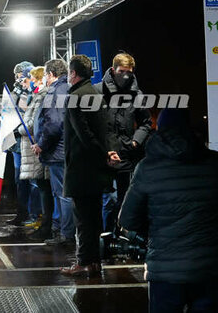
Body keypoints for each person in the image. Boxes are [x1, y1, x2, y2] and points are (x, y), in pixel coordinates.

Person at [119, 109, 218, 312]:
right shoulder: (214, 163)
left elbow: (128, 219)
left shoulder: (147, 167)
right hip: (209, 268)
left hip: (164, 270)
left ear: (160, 130)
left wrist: (152, 231)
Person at [60, 55, 111, 277]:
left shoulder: (74, 97)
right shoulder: (97, 94)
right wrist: (106, 154)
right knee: (94, 217)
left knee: (82, 219)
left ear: (73, 73)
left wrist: (100, 153)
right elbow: (104, 130)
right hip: (98, 168)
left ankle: (83, 262)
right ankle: (95, 262)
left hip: (81, 168)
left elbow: (84, 134)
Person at [95, 53, 152, 233]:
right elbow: (91, 124)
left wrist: (135, 142)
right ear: (113, 70)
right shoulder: (98, 91)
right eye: (121, 71)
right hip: (104, 156)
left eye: (129, 72)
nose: (125, 76)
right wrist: (103, 149)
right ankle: (104, 235)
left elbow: (146, 122)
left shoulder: (137, 94)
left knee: (125, 200)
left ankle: (121, 235)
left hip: (127, 155)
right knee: (106, 200)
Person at [32, 59, 75, 245]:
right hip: (63, 150)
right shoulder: (67, 88)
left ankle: (66, 234)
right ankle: (62, 230)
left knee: (62, 194)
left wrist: (41, 144)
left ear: (51, 74)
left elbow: (54, 124)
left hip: (58, 152)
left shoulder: (55, 91)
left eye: (45, 76)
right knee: (62, 193)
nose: (44, 80)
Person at [18, 66, 52, 240]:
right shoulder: (37, 96)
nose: (29, 82)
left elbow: (32, 124)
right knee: (42, 187)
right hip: (33, 149)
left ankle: (47, 226)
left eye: (31, 79)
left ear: (39, 79)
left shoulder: (42, 96)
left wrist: (18, 129)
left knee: (45, 189)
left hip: (37, 149)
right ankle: (45, 224)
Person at [7, 61, 41, 226]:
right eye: (16, 76)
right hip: (17, 144)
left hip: (29, 141)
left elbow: (30, 114)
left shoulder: (34, 91)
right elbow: (7, 109)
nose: (18, 79)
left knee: (32, 180)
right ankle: (22, 213)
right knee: (19, 180)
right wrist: (15, 92)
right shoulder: (16, 91)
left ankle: (35, 214)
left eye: (20, 76)